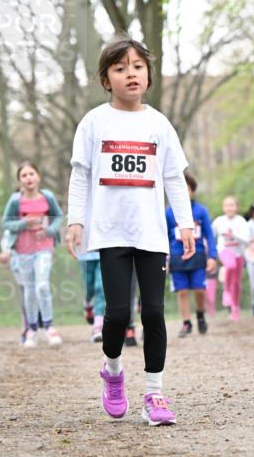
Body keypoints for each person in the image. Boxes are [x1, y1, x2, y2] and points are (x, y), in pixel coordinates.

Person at [65, 34, 195, 425]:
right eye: (120, 69)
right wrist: (76, 219)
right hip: (110, 231)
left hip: (151, 232)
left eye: (137, 67)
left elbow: (174, 177)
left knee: (154, 311)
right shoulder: (94, 122)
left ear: (149, 75)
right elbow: (80, 176)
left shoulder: (159, 124)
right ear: (107, 79)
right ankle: (114, 371)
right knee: (118, 313)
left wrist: (185, 224)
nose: (130, 74)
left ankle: (154, 395)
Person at [1, 162, 63, 348]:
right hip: (22, 251)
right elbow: (5, 223)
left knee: (42, 286)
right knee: (29, 290)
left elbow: (58, 216)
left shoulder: (48, 197)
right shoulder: (15, 200)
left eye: (31, 174)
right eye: (24, 175)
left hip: (44, 248)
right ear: (19, 180)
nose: (28, 178)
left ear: (38, 176)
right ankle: (32, 330)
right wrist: (23, 223)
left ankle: (50, 327)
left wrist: (49, 230)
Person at [166, 171, 217, 337]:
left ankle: (200, 315)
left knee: (199, 289)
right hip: (176, 256)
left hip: (198, 256)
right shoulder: (169, 213)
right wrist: (165, 258)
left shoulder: (201, 211)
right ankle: (186, 323)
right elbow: (165, 236)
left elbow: (209, 235)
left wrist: (212, 257)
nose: (183, 193)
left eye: (186, 189)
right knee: (181, 291)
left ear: (192, 190)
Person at [212, 197, 249, 321]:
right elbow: (211, 235)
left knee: (237, 283)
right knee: (230, 266)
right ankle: (226, 292)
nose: (229, 208)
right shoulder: (219, 221)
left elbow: (246, 240)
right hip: (224, 250)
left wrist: (233, 235)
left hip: (238, 253)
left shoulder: (241, 221)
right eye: (227, 205)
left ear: (237, 207)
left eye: (232, 205)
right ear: (223, 208)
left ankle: (235, 308)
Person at [78, 249, 105, 342]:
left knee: (100, 287)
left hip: (103, 250)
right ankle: (87, 303)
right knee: (89, 287)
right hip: (85, 253)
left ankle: (98, 327)